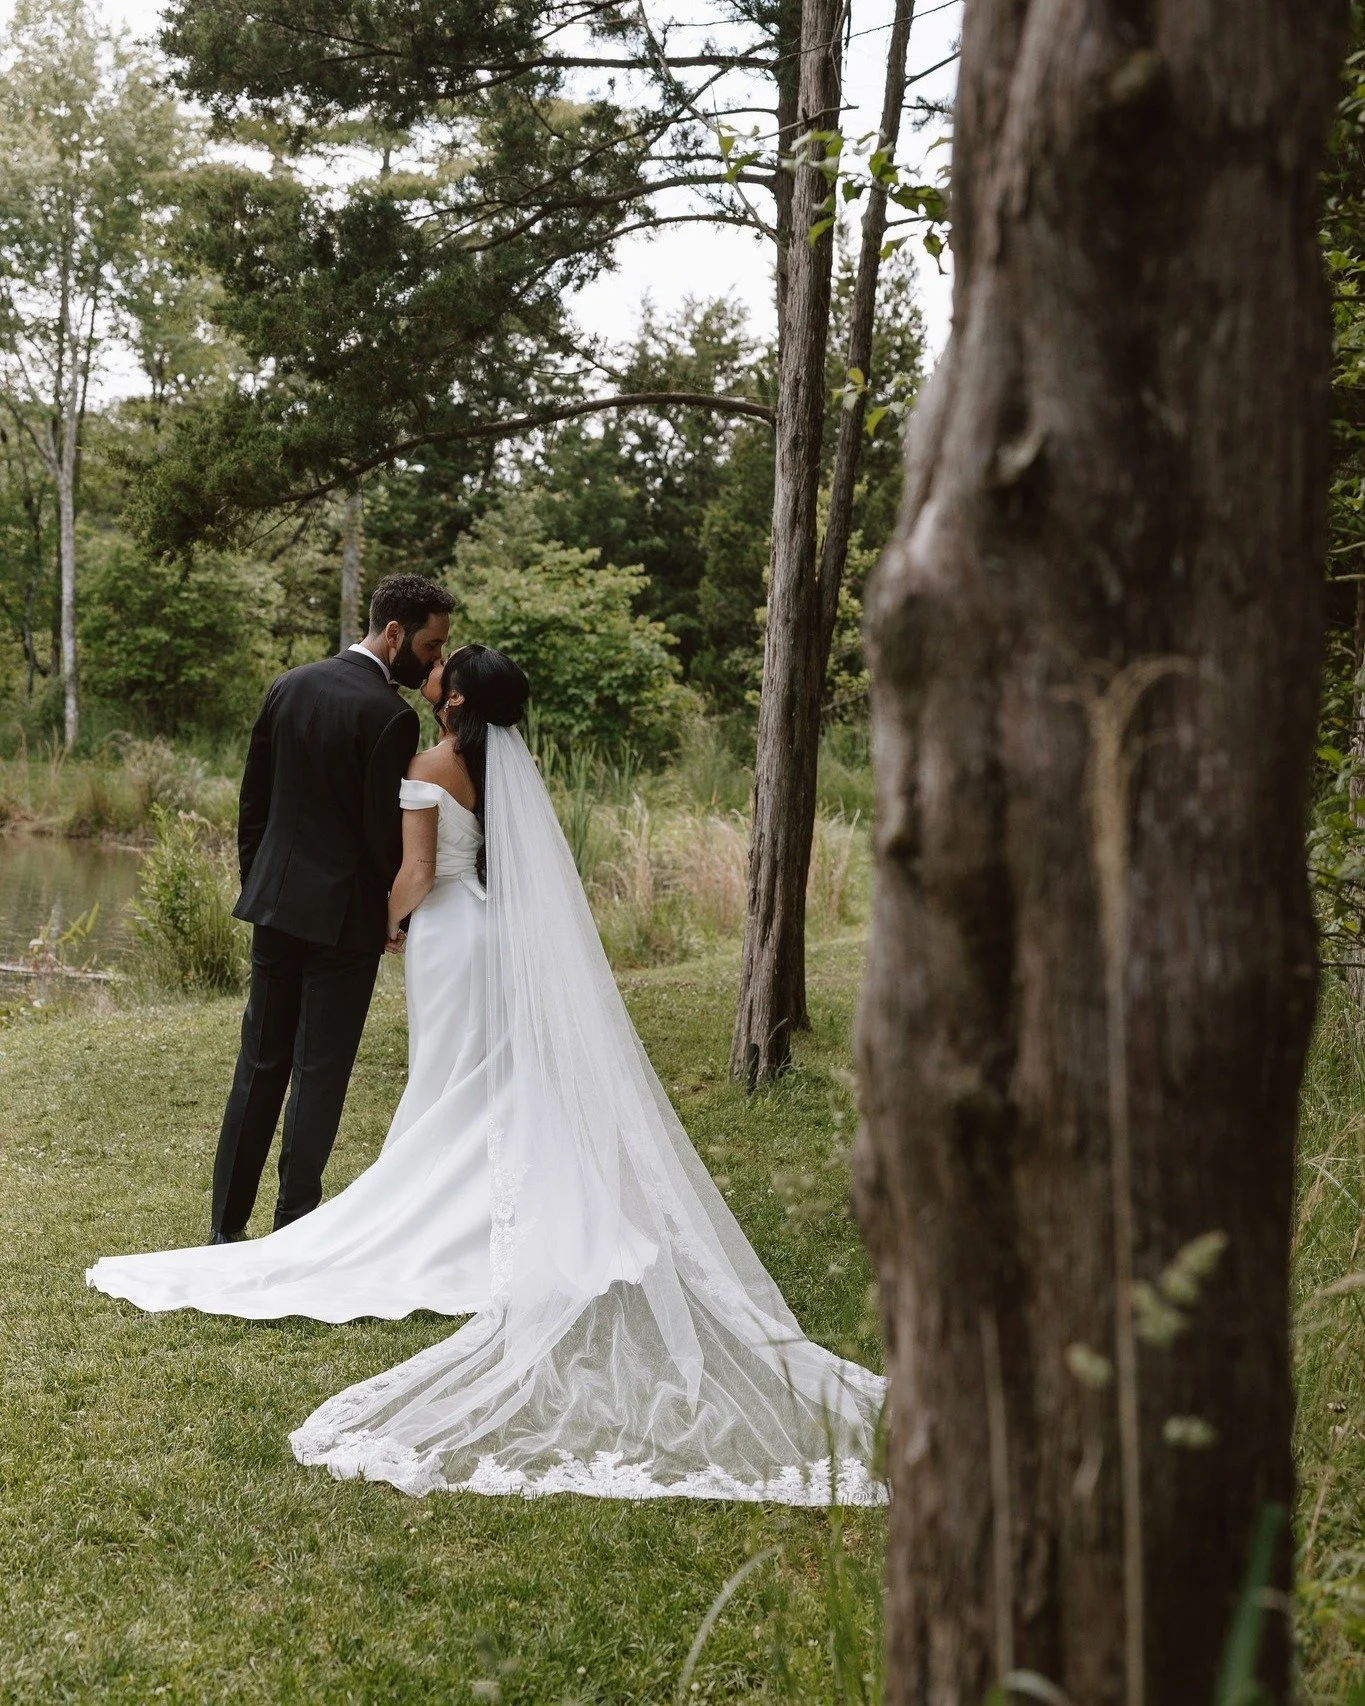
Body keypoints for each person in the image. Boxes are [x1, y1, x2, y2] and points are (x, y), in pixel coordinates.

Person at [88, 646, 886, 1506]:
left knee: (451, 1074)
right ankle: (495, 1193)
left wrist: (378, 924)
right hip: (481, 932)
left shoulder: (430, 762)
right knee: (481, 1074)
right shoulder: (496, 764)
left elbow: (419, 871)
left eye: (443, 668)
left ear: (455, 696)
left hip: (443, 937)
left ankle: (447, 1208)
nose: (431, 671)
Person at [208, 573, 451, 1244]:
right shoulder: (390, 716)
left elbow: (252, 803)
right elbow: (382, 835)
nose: (433, 661)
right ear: (394, 632)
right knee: (319, 1072)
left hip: (276, 907)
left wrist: (260, 885)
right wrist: (389, 915)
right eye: (431, 647)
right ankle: (292, 1229)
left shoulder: (289, 684)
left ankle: (224, 1232)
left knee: (259, 1065)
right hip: (344, 920)